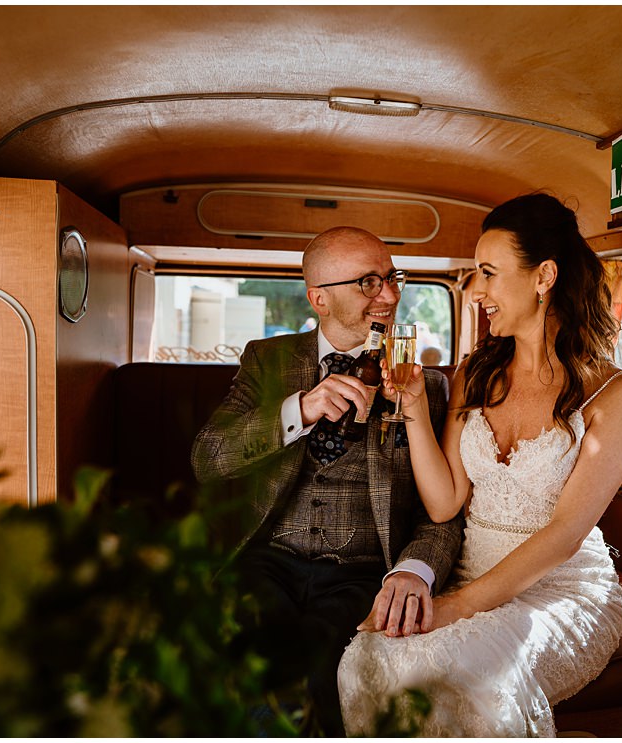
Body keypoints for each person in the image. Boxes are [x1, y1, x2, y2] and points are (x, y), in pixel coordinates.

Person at [337, 194, 622, 736]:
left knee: (463, 678)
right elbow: (446, 501)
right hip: (469, 570)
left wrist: (454, 608)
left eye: (487, 273)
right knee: (366, 657)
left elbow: (565, 534)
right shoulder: (476, 373)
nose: (475, 291)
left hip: (559, 589)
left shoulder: (616, 396)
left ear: (544, 276)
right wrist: (411, 408)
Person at [190, 226, 462, 735]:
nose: (391, 295)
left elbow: (442, 512)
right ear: (319, 298)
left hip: (364, 571)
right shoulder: (267, 359)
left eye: (392, 278)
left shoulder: (426, 385)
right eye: (369, 283)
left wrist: (417, 571)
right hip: (267, 559)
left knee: (317, 667)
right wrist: (301, 408)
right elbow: (209, 458)